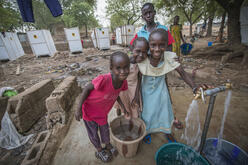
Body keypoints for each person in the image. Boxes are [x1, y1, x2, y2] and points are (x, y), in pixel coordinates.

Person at [136, 29, 203, 142]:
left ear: (167, 45)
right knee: (146, 113)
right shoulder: (143, 59)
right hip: (145, 92)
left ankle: (167, 131)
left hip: (161, 91)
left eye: (161, 45)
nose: (157, 49)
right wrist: (137, 97)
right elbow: (137, 80)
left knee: (165, 112)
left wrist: (194, 87)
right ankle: (147, 131)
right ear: (149, 45)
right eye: (153, 45)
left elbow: (182, 73)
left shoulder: (170, 58)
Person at [74, 51, 130, 162]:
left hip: (102, 113)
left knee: (105, 130)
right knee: (93, 133)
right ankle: (99, 150)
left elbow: (116, 94)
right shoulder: (103, 79)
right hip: (89, 112)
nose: (123, 72)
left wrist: (123, 107)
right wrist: (78, 108)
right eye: (118, 68)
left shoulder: (123, 82)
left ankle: (108, 145)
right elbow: (87, 89)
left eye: (126, 68)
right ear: (111, 68)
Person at [115, 37, 149, 118]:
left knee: (133, 107)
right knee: (122, 106)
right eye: (138, 51)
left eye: (144, 52)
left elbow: (139, 78)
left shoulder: (142, 62)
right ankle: (119, 116)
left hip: (134, 89)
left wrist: (137, 94)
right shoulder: (124, 62)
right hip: (122, 90)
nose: (141, 55)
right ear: (132, 49)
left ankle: (133, 122)